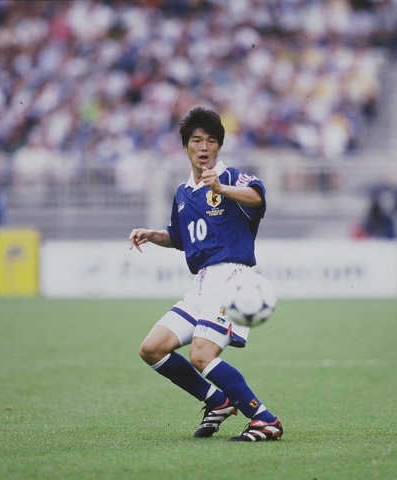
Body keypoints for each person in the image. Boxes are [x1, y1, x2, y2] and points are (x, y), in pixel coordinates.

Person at [129, 107, 283, 442]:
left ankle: (264, 419)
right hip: (200, 283)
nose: (204, 147)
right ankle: (217, 402)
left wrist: (223, 189)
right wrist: (153, 235)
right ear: (185, 146)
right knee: (152, 348)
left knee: (201, 355)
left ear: (219, 147)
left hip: (231, 278)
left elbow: (257, 198)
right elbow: (180, 237)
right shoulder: (183, 193)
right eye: (197, 140)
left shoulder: (230, 178)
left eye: (211, 141)